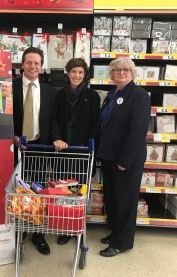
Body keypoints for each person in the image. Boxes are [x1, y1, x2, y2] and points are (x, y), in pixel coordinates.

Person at [13, 47, 68, 255]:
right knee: (16, 191)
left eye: (37, 63)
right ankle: (18, 231)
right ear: (22, 65)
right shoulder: (10, 87)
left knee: (37, 192)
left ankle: (37, 232)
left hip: (39, 148)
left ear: (41, 67)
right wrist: (13, 136)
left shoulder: (49, 92)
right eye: (29, 62)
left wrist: (56, 139)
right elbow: (3, 116)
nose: (33, 66)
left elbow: (52, 120)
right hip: (15, 148)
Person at [98, 57, 151, 257]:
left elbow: (137, 131)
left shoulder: (139, 95)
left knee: (126, 201)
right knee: (112, 199)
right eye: (117, 69)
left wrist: (124, 160)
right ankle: (116, 233)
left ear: (132, 72)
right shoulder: (111, 94)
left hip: (125, 160)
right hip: (110, 157)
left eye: (126, 69)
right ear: (112, 73)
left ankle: (122, 242)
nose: (122, 72)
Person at [55, 58, 100, 245]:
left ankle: (78, 228)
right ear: (68, 73)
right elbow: (54, 120)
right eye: (73, 72)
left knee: (80, 191)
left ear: (85, 74)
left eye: (80, 72)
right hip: (62, 151)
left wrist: (89, 147)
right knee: (64, 190)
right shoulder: (59, 95)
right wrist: (57, 138)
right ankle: (66, 228)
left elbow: (95, 125)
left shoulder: (92, 96)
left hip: (82, 153)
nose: (77, 76)